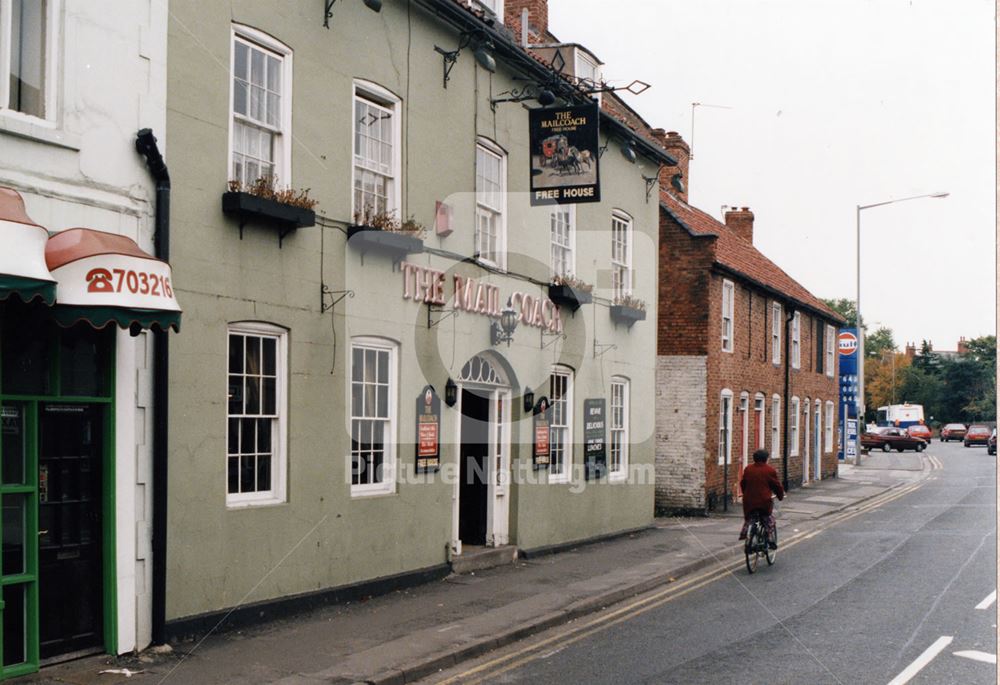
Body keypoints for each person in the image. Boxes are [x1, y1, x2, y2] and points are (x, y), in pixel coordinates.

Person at [739, 449, 785, 548]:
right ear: (766, 459)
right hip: (764, 502)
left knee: (750, 518)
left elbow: (743, 483)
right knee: (768, 519)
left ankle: (748, 535)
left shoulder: (748, 469)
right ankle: (769, 538)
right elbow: (777, 486)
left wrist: (745, 493)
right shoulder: (769, 470)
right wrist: (780, 496)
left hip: (749, 502)